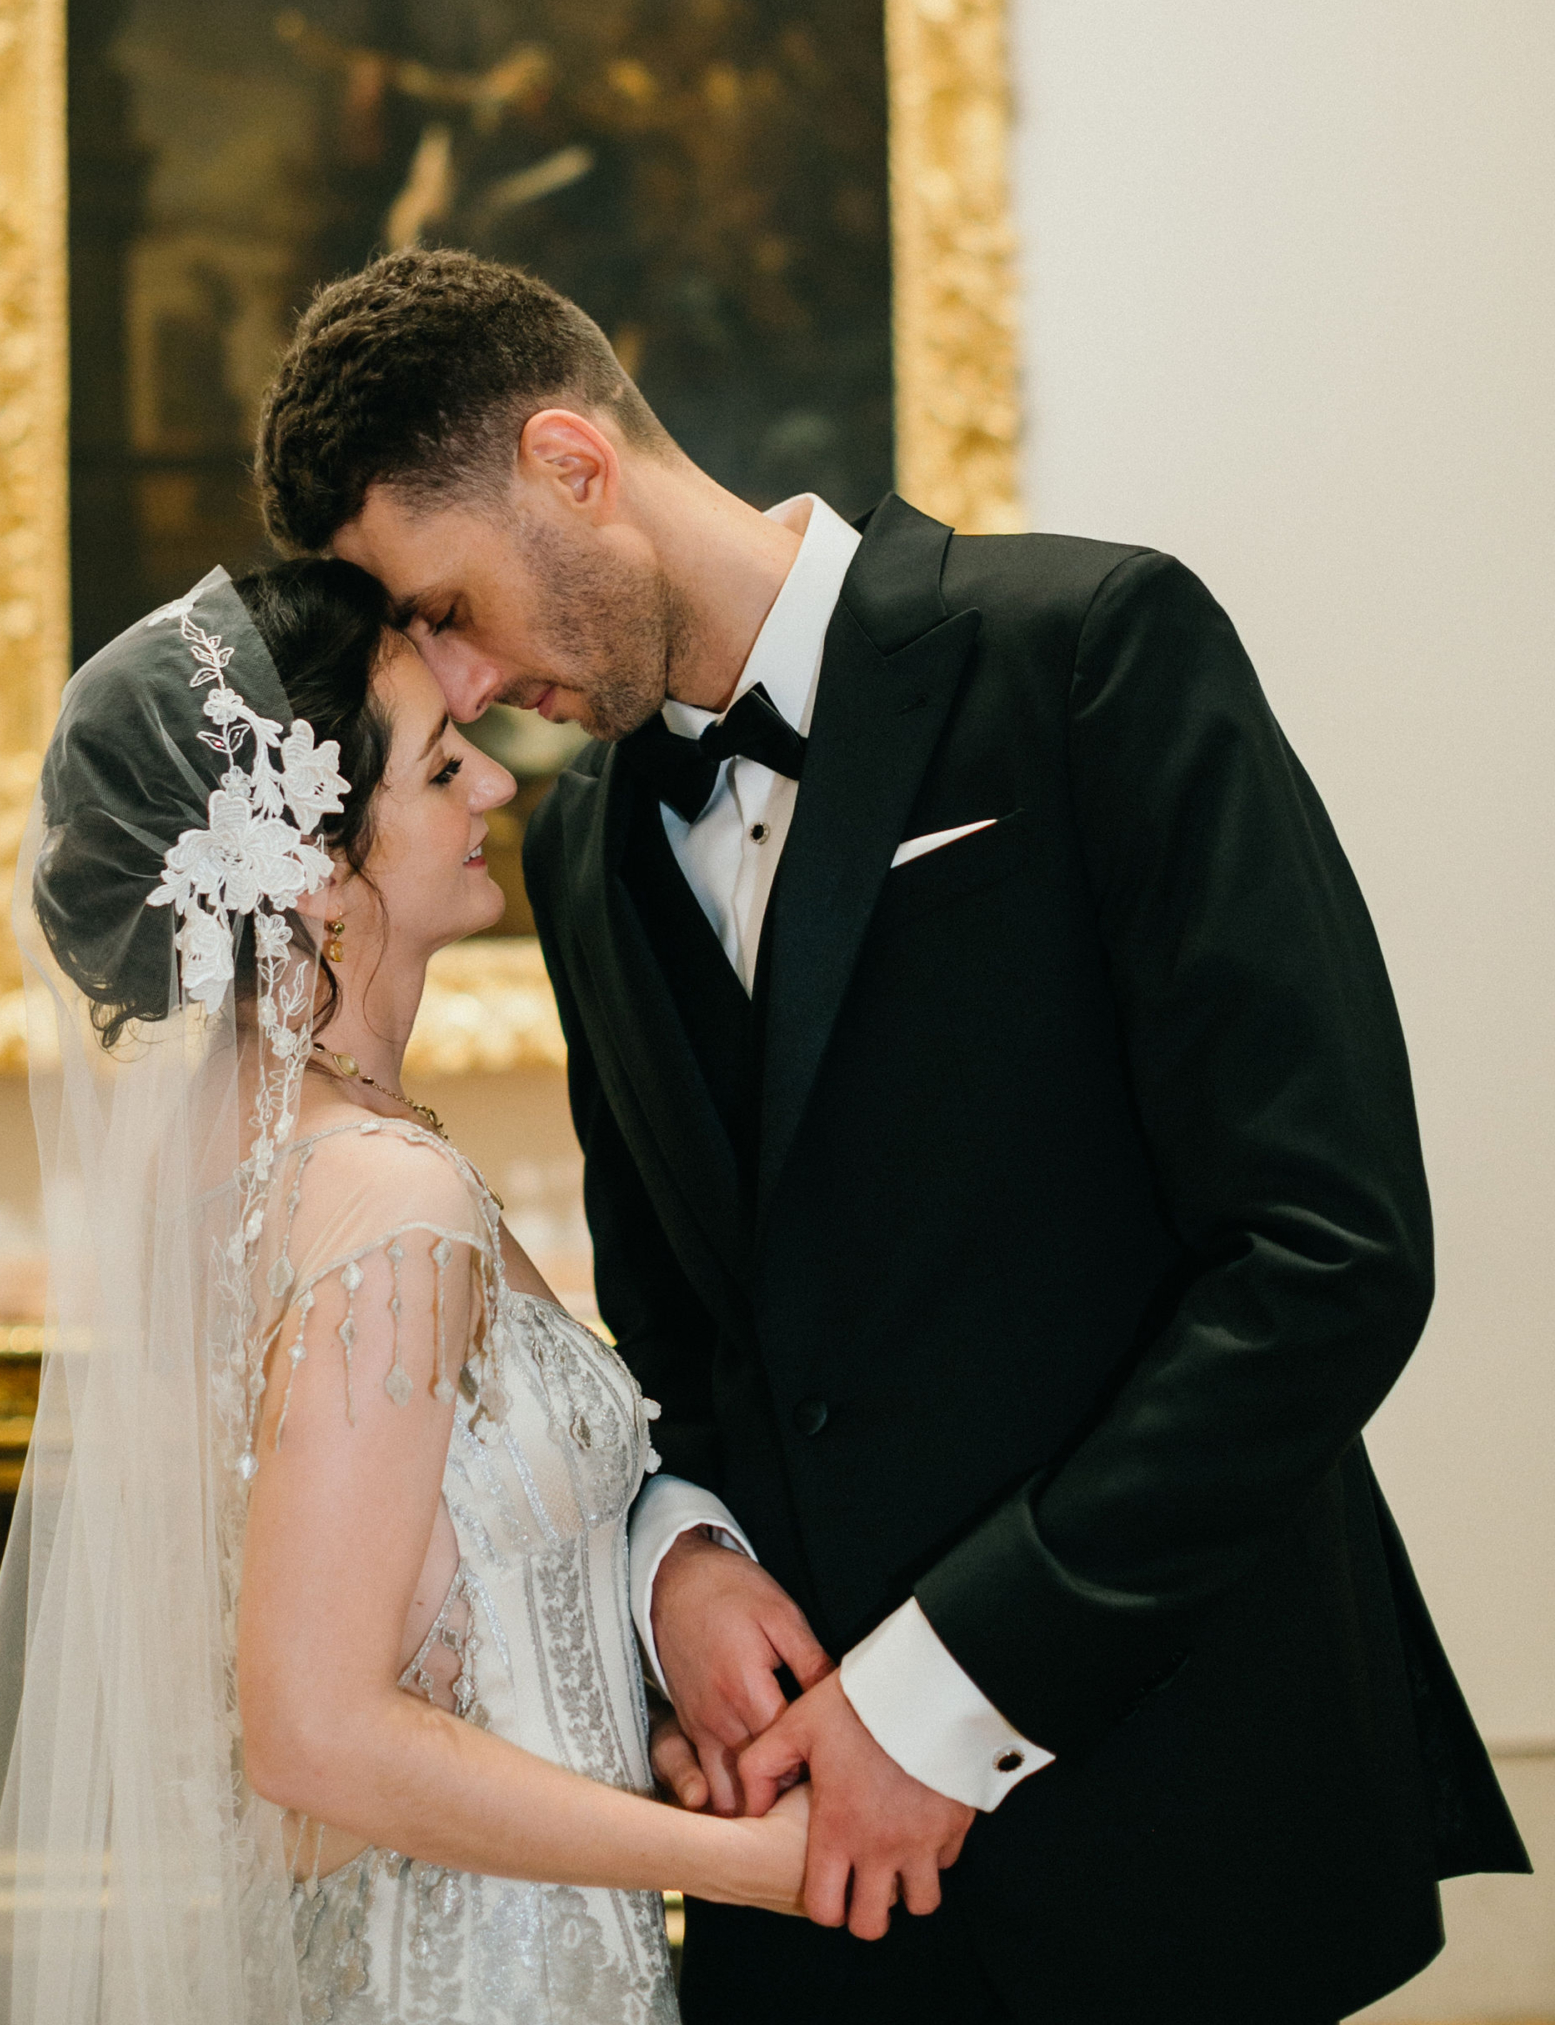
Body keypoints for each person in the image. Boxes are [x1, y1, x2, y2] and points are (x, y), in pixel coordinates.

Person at [255, 246, 1529, 2025]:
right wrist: (677, 1558)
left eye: (451, 608)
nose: (457, 688)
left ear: (571, 465)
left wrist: (948, 1696)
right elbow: (692, 1340)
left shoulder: (1092, 655)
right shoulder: (584, 854)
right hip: (815, 1891)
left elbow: (1328, 1258)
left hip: (1181, 1819)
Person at [0, 556, 807, 2025]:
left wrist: (637, 1709)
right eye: (443, 767)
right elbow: (316, 1741)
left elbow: (444, 1629)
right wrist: (743, 1861)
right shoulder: (388, 1200)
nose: (495, 792)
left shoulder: (256, 1161)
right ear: (317, 871)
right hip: (480, 1979)